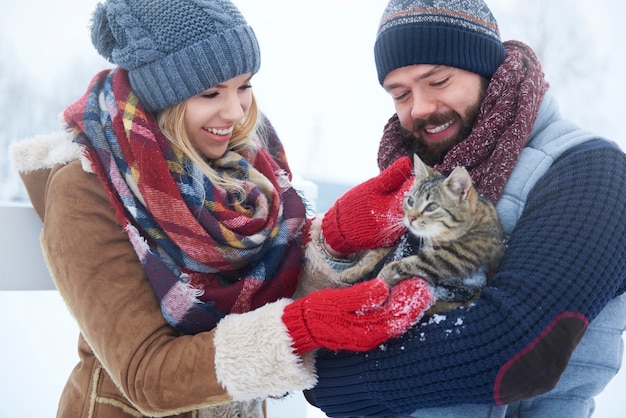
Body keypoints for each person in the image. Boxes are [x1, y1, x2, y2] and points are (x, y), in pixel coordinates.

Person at [8, 0, 436, 417]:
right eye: (212, 92)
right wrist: (297, 328)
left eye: (245, 85)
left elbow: (275, 279)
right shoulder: (86, 186)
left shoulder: (248, 163)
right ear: (163, 95)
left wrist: (333, 238)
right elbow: (145, 374)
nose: (235, 112)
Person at [303, 0, 626, 417]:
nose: (418, 108)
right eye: (400, 93)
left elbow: (515, 353)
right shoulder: (412, 181)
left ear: (488, 70)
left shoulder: (591, 172)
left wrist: (325, 375)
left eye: (438, 80)